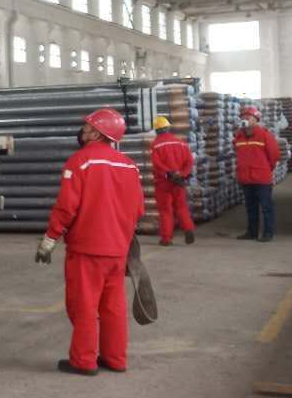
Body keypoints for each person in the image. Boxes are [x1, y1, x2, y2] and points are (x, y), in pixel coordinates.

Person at [36, 108, 147, 376]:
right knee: (113, 307)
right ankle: (115, 359)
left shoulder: (80, 162)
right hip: (117, 250)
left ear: (98, 133)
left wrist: (50, 238)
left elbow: (67, 207)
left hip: (87, 249)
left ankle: (83, 361)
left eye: (87, 128)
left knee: (84, 306)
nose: (82, 132)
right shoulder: (129, 166)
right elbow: (138, 210)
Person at [234, 104, 280, 241]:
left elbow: (274, 155)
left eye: (248, 117)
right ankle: (252, 232)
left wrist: (266, 169)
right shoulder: (239, 136)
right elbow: (237, 154)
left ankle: (268, 233)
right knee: (250, 207)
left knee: (266, 207)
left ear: (256, 119)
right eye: (243, 117)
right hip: (246, 178)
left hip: (261, 178)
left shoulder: (264, 135)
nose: (245, 119)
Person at [149, 115, 196, 247]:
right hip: (179, 181)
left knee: (165, 210)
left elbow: (157, 164)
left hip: (163, 182)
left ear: (156, 130)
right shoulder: (181, 142)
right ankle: (188, 228)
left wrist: (169, 173)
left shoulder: (156, 144)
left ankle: (166, 238)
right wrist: (182, 174)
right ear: (168, 128)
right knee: (181, 207)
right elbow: (189, 161)